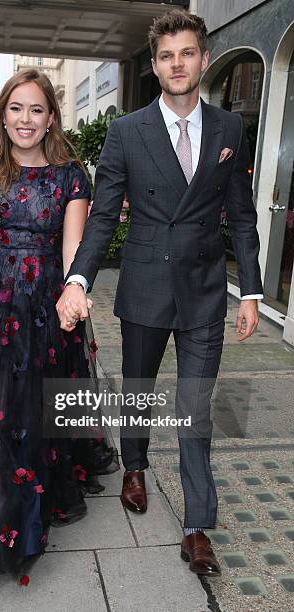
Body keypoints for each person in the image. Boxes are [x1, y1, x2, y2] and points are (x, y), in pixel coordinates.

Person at [57, 10, 263, 577]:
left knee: (196, 411)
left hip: (202, 292)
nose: (178, 63)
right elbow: (102, 219)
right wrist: (77, 278)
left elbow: (241, 217)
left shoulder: (228, 129)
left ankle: (197, 527)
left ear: (202, 57)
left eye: (188, 53)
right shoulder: (127, 132)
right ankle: (134, 464)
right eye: (167, 55)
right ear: (155, 65)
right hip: (145, 286)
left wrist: (249, 292)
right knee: (141, 389)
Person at [0, 68, 119, 581]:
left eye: (36, 109)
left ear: (50, 119)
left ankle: (32, 501)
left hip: (44, 307)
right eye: (16, 108)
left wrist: (74, 291)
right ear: (2, 116)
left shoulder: (70, 176)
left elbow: (73, 249)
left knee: (37, 409)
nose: (25, 119)